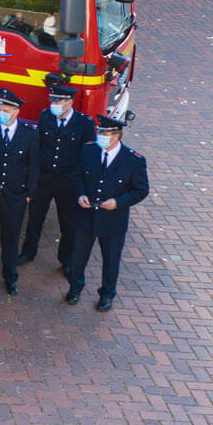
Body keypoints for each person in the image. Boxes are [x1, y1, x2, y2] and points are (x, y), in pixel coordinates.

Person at [65, 116, 149, 310]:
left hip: (113, 220)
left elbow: (141, 190)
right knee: (78, 256)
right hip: (86, 216)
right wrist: (80, 194)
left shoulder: (132, 160)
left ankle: (107, 294)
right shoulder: (88, 150)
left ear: (116, 136)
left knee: (111, 260)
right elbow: (77, 176)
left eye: (104, 133)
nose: (100, 136)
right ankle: (75, 288)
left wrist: (118, 202)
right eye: (99, 132)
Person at [20, 83, 95, 277]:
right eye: (52, 100)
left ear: (69, 102)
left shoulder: (84, 123)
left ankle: (66, 260)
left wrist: (80, 183)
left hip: (68, 183)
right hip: (44, 179)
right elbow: (38, 148)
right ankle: (28, 252)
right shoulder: (46, 116)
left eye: (58, 100)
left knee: (68, 224)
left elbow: (86, 156)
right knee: (34, 219)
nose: (53, 104)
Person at [0, 88, 40, 295]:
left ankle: (10, 276)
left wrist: (29, 193)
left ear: (16, 112)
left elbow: (33, 165)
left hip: (15, 196)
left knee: (11, 238)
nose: (1, 112)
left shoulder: (29, 134)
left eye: (6, 109)